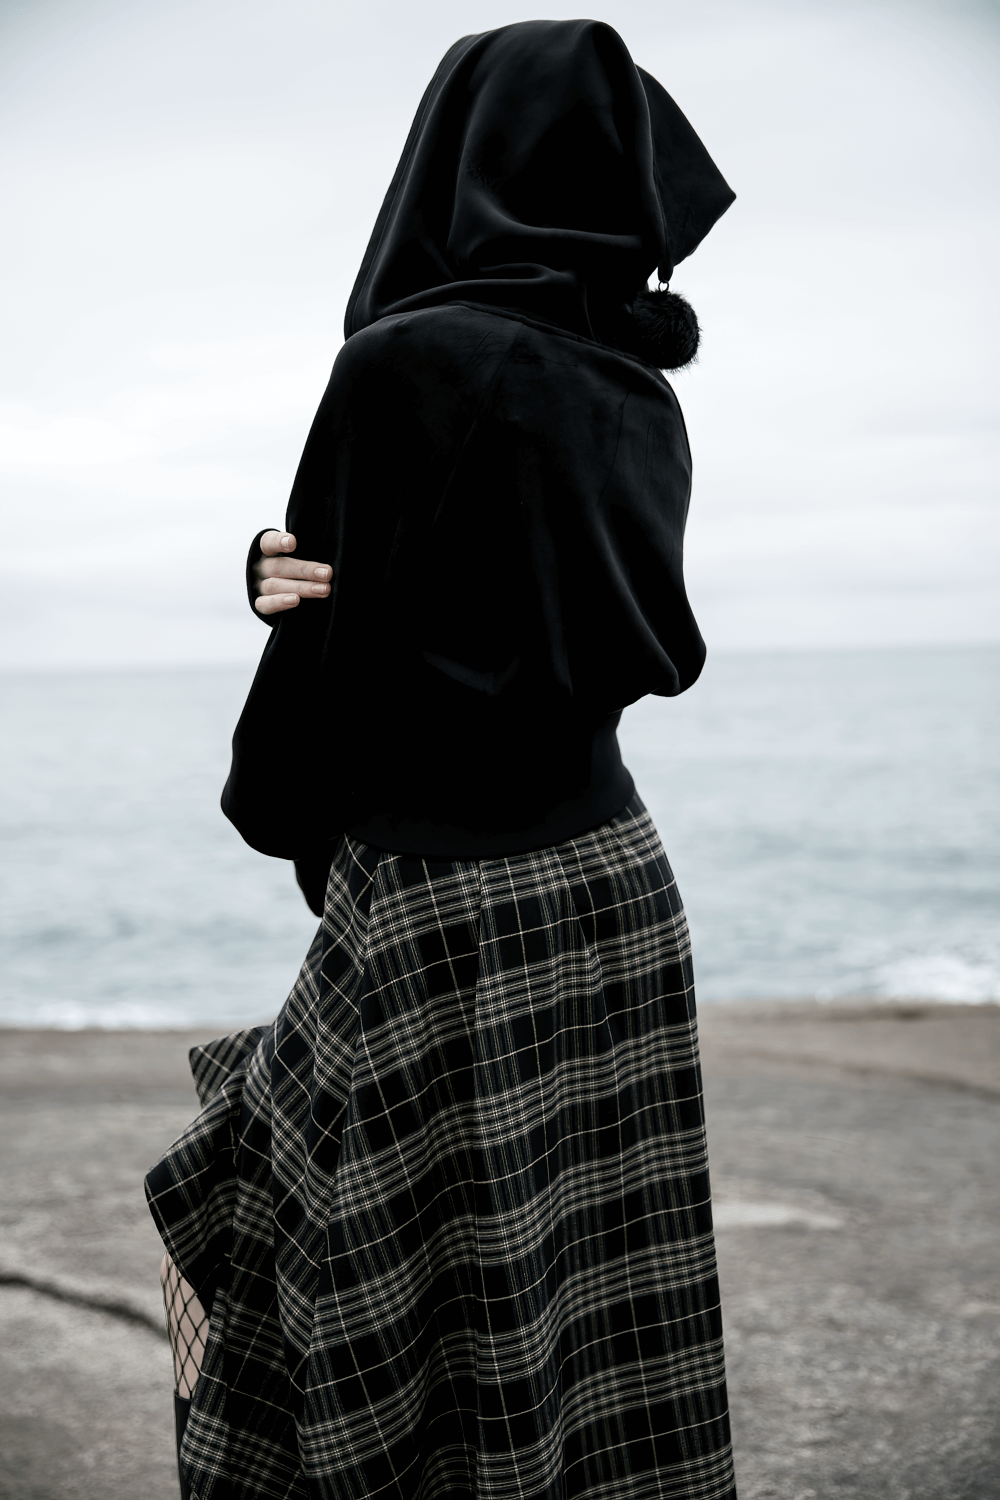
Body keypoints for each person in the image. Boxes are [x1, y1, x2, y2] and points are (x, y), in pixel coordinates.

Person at [146, 19, 737, 1500]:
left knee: (299, 1265)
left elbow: (320, 698)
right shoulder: (641, 388)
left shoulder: (404, 360)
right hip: (613, 891)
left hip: (438, 906)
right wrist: (310, 579)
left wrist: (278, 782)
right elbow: (554, 620)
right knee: (578, 1319)